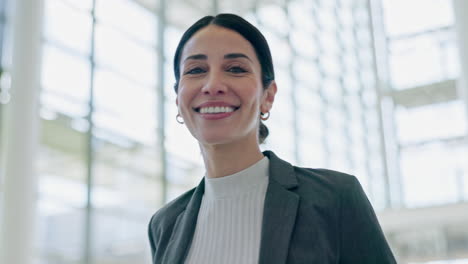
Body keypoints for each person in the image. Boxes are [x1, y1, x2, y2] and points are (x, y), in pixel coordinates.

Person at [148, 13, 397, 264]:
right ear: (178, 98)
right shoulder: (165, 224)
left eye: (235, 69)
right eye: (196, 70)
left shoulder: (335, 198)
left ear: (268, 95)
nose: (213, 85)